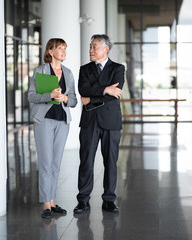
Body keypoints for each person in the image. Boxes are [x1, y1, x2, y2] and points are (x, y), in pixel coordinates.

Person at [73, 34, 125, 214]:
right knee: (86, 161)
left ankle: (109, 199)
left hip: (111, 120)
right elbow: (82, 90)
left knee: (110, 161)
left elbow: (115, 93)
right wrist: (105, 89)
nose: (91, 50)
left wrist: (92, 96)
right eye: (90, 46)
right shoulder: (84, 69)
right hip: (90, 121)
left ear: (106, 49)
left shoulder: (118, 68)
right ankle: (83, 200)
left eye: (95, 47)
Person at [28, 38, 77, 219]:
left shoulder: (69, 73)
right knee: (46, 163)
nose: (64, 51)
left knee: (56, 164)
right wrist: (49, 95)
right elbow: (31, 96)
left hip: (62, 121)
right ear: (50, 51)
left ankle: (53, 201)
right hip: (44, 121)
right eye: (60, 48)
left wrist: (64, 98)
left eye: (65, 48)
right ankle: (46, 204)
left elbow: (73, 100)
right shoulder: (40, 71)